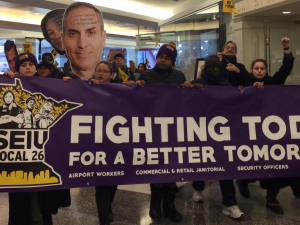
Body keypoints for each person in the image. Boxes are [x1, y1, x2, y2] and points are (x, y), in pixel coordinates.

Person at [237, 37, 300, 215]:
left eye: (262, 68)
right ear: (252, 70)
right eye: (256, 68)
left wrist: (286, 49)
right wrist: (251, 90)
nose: (259, 71)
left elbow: (286, 68)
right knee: (253, 163)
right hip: (251, 133)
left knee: (275, 165)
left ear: (266, 70)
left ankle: (271, 198)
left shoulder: (273, 82)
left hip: (272, 133)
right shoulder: (245, 83)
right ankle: (244, 180)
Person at [186, 55, 244, 220]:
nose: (214, 70)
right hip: (201, 130)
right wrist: (189, 88)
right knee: (201, 163)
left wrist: (240, 92)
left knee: (225, 167)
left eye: (217, 67)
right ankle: (197, 189)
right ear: (205, 69)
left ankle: (230, 203)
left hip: (221, 132)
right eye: (211, 67)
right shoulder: (197, 83)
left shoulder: (226, 85)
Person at [137, 42, 185, 222]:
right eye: (161, 57)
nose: (163, 60)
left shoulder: (179, 76)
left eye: (167, 58)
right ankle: (155, 205)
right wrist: (136, 87)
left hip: (173, 128)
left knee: (172, 167)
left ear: (172, 61)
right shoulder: (147, 75)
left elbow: (184, 100)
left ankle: (169, 205)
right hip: (154, 128)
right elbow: (139, 101)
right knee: (157, 167)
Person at [89, 61, 118, 225]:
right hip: (95, 143)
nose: (100, 73)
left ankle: (108, 208)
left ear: (111, 75)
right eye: (98, 70)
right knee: (102, 182)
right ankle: (103, 218)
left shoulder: (120, 90)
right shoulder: (86, 87)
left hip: (114, 142)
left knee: (113, 180)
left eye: (104, 71)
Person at [61, 2, 106, 80]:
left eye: (91, 33)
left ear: (103, 38)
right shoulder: (56, 82)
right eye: (73, 34)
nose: (82, 44)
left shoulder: (116, 83)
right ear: (63, 40)